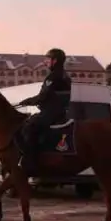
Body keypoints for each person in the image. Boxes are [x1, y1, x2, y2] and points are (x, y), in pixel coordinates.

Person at [14, 48, 72, 178]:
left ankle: (30, 163)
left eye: (47, 60)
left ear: (55, 61)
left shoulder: (53, 77)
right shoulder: (64, 75)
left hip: (51, 112)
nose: (45, 62)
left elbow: (43, 97)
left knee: (29, 126)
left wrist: (27, 101)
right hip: (60, 112)